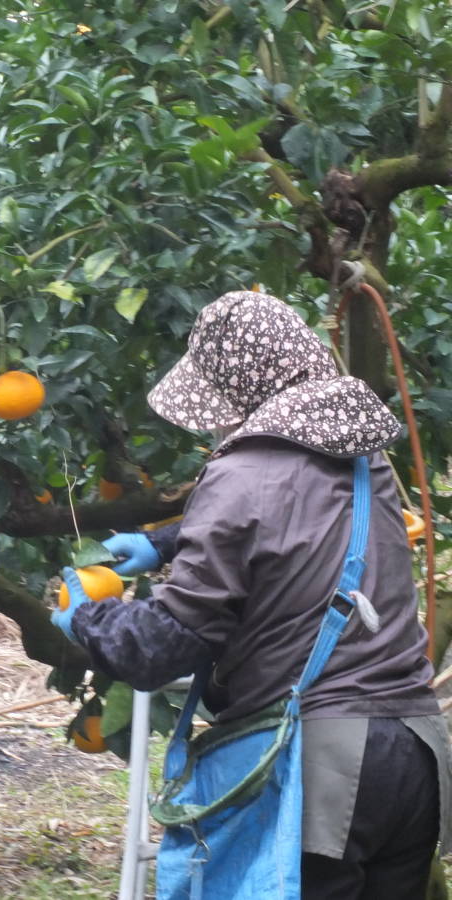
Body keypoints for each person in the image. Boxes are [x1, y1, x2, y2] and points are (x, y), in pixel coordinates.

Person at [53, 291, 451, 897]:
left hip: (324, 766)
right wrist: (165, 541)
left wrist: (87, 619)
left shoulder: (239, 474)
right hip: (416, 754)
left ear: (238, 391)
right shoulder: (367, 462)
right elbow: (300, 519)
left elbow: (163, 645)